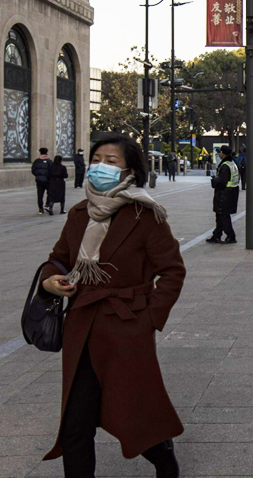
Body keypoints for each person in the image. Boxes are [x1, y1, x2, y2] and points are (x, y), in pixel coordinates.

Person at [37, 135, 184, 478]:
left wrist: (149, 318)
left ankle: (162, 456)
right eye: (98, 158)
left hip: (126, 327)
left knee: (132, 413)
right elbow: (58, 260)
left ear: (129, 171)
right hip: (81, 327)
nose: (102, 166)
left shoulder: (146, 215)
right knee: (76, 423)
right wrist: (49, 281)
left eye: (112, 160)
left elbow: (173, 270)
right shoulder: (78, 214)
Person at [206, 145, 241, 244]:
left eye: (219, 152)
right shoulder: (232, 163)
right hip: (231, 192)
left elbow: (221, 182)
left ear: (223, 154)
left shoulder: (225, 166)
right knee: (220, 215)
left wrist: (214, 181)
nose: (218, 154)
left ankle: (231, 236)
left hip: (224, 194)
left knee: (223, 215)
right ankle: (217, 235)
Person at [32, 147, 52, 214]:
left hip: (39, 180)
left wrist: (38, 176)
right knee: (50, 193)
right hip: (47, 181)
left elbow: (33, 170)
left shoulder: (36, 161)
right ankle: (47, 204)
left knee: (40, 195)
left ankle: (40, 209)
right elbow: (52, 171)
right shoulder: (49, 161)